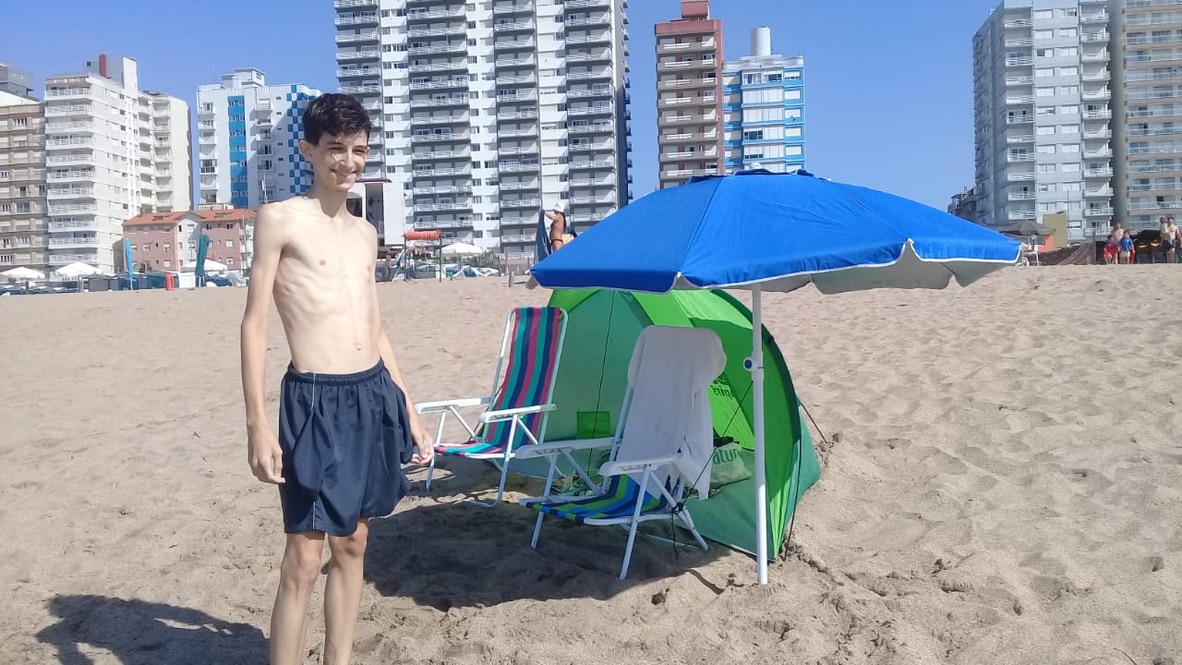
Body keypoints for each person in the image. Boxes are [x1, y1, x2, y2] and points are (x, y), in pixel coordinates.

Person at [239, 93, 431, 665]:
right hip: (315, 400)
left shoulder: (366, 233)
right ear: (309, 150)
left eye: (359, 150)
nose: (349, 162)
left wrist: (410, 410)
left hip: (370, 394)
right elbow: (254, 325)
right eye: (336, 150)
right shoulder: (279, 219)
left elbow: (376, 327)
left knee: (354, 541)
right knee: (303, 554)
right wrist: (256, 425)